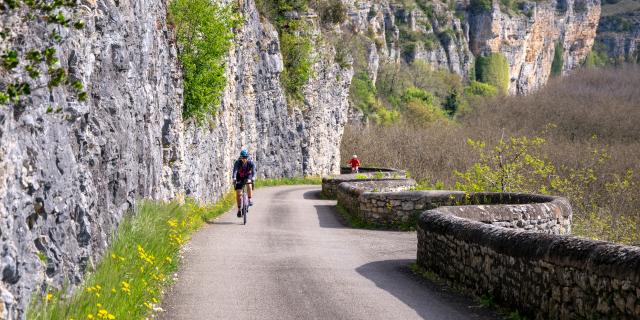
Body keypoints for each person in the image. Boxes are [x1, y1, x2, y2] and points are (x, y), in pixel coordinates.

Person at [232, 149, 256, 218]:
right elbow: (235, 171)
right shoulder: (237, 163)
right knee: (239, 193)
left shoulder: (250, 162)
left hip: (248, 176)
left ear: (247, 157)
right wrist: (234, 178)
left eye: (245, 157)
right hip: (239, 176)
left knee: (249, 183)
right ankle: (239, 210)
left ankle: (249, 199)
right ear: (241, 157)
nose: (244, 159)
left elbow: (254, 171)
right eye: (243, 157)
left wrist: (253, 177)